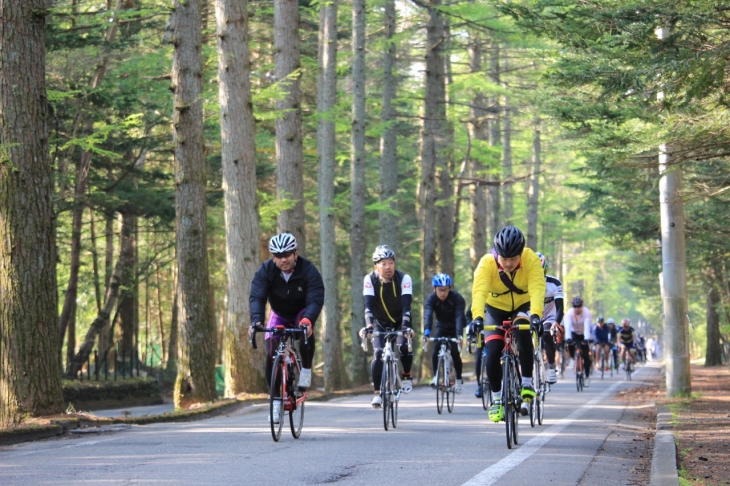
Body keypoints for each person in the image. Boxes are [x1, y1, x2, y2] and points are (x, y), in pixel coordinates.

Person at [469, 225, 546, 422]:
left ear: (521, 254)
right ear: (497, 255)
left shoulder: (531, 259)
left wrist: (536, 315)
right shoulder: (486, 263)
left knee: (522, 330)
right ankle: (496, 400)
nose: (509, 263)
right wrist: (477, 318)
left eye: (513, 259)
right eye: (504, 259)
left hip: (523, 305)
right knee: (493, 350)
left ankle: (527, 383)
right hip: (495, 307)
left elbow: (537, 288)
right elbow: (479, 293)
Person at [249, 233, 324, 422]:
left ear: (295, 254)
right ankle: (275, 402)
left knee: (306, 333)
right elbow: (257, 297)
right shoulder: (265, 270)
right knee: (270, 354)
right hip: (279, 313)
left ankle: (306, 370)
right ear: (273, 257)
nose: (283, 259)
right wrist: (256, 321)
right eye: (279, 256)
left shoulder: (308, 270)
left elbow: (315, 297)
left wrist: (309, 320)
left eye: (287, 255)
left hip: (302, 312)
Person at [359, 245, 415, 408]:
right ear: (376, 266)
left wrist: (405, 327)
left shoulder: (404, 279)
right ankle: (377, 393)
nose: (388, 267)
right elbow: (368, 306)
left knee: (404, 347)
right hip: (380, 323)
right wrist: (369, 325)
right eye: (383, 263)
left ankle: (406, 375)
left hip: (400, 321)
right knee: (377, 353)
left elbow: (407, 306)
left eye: (391, 262)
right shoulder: (370, 279)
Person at [423, 273, 466, 393]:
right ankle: (435, 376)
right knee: (436, 348)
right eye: (440, 290)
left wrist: (458, 335)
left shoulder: (457, 298)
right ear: (434, 289)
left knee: (454, 352)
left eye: (445, 290)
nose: (443, 293)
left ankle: (458, 379)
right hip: (441, 326)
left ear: (449, 289)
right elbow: (428, 316)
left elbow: (459, 317)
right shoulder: (431, 299)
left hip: (455, 327)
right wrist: (426, 333)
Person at [535, 252, 563, 385]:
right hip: (532, 315)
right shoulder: (523, 284)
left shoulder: (554, 283)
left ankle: (551, 365)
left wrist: (556, 323)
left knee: (546, 334)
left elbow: (560, 307)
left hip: (549, 316)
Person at [563, 296, 593, 384]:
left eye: (579, 306)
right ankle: (573, 358)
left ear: (582, 306)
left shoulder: (587, 313)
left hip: (584, 333)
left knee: (586, 355)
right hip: (574, 333)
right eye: (575, 307)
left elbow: (587, 327)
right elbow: (567, 327)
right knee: (570, 345)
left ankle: (587, 375)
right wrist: (568, 339)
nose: (577, 309)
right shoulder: (569, 314)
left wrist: (587, 339)